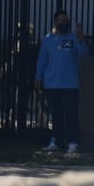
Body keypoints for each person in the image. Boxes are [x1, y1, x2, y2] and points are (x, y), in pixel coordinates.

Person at [35, 10, 88, 156]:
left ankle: (73, 143)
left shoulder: (74, 39)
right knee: (56, 115)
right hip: (52, 83)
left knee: (71, 115)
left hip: (70, 83)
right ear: (55, 22)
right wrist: (38, 78)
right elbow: (42, 61)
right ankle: (56, 141)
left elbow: (84, 53)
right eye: (61, 20)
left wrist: (82, 39)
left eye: (66, 20)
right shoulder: (48, 40)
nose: (64, 23)